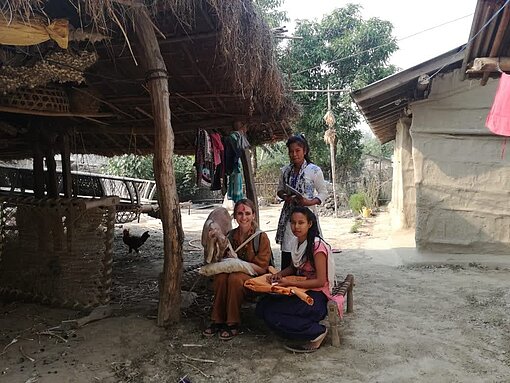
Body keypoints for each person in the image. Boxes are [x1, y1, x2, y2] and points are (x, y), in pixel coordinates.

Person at [256, 207, 336, 353]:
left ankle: (316, 331)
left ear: (310, 224)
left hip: (316, 298)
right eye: (293, 223)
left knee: (272, 314)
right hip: (301, 290)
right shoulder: (297, 242)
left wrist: (290, 283)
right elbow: (294, 267)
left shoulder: (317, 247)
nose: (296, 227)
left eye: (301, 223)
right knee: (262, 306)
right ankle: (301, 326)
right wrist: (279, 275)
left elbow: (320, 281)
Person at [203, 199, 272, 340]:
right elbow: (219, 261)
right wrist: (216, 240)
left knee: (235, 278)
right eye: (240, 213)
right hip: (232, 277)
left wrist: (238, 263)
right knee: (221, 277)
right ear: (234, 216)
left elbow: (261, 269)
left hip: (254, 279)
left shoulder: (261, 238)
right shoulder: (230, 235)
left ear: (253, 215)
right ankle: (218, 319)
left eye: (247, 213)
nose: (244, 217)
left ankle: (232, 322)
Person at [276, 134, 328, 269]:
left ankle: (308, 281)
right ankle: (287, 283)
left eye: (297, 151)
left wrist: (308, 202)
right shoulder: (286, 170)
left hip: (307, 216)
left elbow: (323, 193)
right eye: (291, 152)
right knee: (288, 248)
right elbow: (280, 190)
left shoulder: (314, 171)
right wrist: (286, 197)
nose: (294, 154)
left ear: (304, 151)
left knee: (309, 248)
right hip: (289, 216)